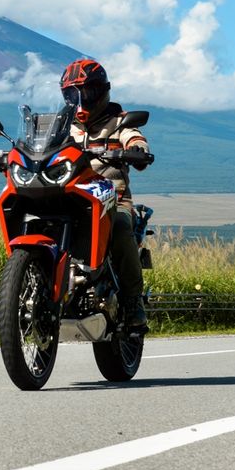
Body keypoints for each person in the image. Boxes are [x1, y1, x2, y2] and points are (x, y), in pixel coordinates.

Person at [59, 57, 151, 329]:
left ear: (101, 91)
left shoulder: (119, 122)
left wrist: (137, 150)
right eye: (72, 94)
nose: (79, 100)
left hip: (112, 201)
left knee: (122, 227)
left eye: (85, 92)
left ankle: (133, 303)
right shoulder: (63, 126)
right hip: (70, 197)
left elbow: (135, 138)